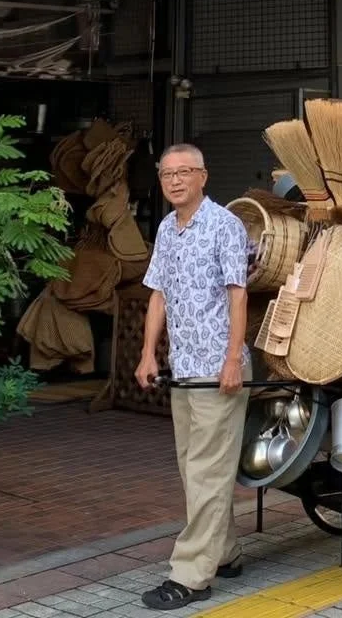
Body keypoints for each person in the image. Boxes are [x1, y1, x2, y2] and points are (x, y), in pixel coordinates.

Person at [135, 144, 251, 610]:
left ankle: (190, 574)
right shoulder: (166, 228)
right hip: (183, 369)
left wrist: (230, 361)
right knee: (193, 467)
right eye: (167, 174)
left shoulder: (225, 225)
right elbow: (157, 294)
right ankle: (224, 551)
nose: (175, 180)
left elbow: (238, 295)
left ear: (204, 176)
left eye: (185, 172)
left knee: (207, 469)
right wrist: (147, 354)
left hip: (217, 368)